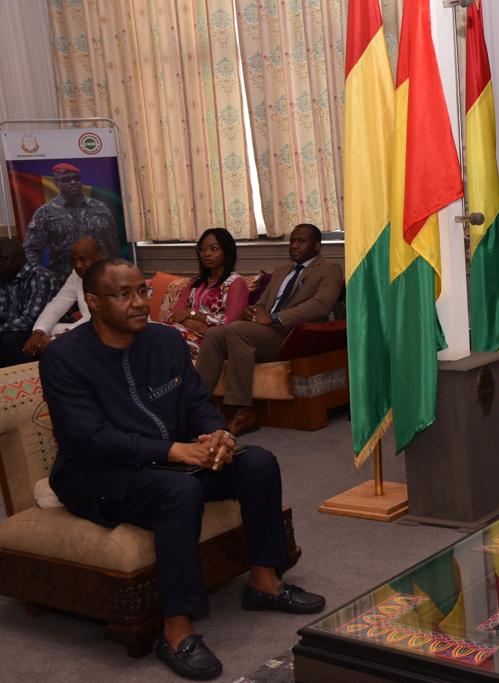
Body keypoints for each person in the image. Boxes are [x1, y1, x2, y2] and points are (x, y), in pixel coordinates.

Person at [40, 259, 325, 681]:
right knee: (179, 492)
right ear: (94, 302)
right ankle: (176, 629)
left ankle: (264, 581)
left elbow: (195, 402)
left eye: (142, 291)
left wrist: (217, 435)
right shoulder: (63, 357)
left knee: (258, 462)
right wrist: (175, 451)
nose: (140, 303)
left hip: (168, 461)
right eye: (124, 295)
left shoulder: (165, 341)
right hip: (96, 474)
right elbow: (91, 437)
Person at [196, 224, 342, 436]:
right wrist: (251, 312)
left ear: (317, 246)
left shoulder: (330, 269)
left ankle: (241, 410)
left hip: (293, 335)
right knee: (214, 334)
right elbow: (262, 304)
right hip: (264, 332)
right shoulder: (282, 271)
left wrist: (274, 318)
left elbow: (320, 305)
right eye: (292, 241)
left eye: (301, 241)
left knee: (237, 331)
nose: (294, 245)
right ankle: (198, 407)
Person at [24, 162, 120, 284]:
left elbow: (113, 245)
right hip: (63, 279)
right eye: (66, 179)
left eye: (76, 178)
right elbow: (31, 249)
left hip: (99, 277)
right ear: (56, 183)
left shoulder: (100, 208)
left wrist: (114, 271)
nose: (73, 182)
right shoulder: (45, 212)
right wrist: (41, 273)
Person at [165, 228, 249, 358]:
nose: (206, 254)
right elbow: (174, 315)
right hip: (186, 333)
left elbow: (229, 323)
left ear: (227, 251)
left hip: (214, 342)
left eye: (214, 249)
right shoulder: (195, 282)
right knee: (156, 333)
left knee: (166, 339)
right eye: (202, 249)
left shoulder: (236, 283)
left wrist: (192, 313)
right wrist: (191, 323)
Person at [22, 236, 104, 357]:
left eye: (82, 259)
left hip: (103, 333)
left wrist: (55, 338)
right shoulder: (77, 275)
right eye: (73, 261)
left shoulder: (109, 276)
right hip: (84, 330)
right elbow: (57, 305)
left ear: (98, 257)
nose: (78, 265)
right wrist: (38, 333)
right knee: (49, 330)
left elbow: (94, 319)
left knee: (57, 341)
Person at [0, 239, 56, 367]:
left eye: (2, 260)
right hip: (12, 327)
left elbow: (30, 320)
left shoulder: (39, 276)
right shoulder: (4, 275)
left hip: (41, 329)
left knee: (9, 341)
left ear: (20, 260)